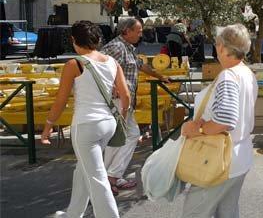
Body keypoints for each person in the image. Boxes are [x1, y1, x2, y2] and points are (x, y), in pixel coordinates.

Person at [41, 21, 130, 217]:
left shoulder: (74, 64)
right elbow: (126, 96)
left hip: (86, 125)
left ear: (73, 40)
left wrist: (48, 126)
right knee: (83, 171)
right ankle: (73, 214)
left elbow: (61, 101)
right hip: (108, 123)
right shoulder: (112, 62)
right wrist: (121, 117)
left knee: (96, 178)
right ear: (97, 40)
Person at [180, 24, 258, 217]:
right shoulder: (246, 73)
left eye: (216, 44)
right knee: (228, 212)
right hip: (237, 157)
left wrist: (196, 130)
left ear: (222, 47)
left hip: (218, 160)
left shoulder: (228, 77)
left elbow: (225, 120)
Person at [102, 17, 170, 195]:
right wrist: (114, 88)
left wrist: (159, 76)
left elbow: (140, 66)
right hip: (117, 101)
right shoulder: (116, 47)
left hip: (126, 101)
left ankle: (112, 175)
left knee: (131, 134)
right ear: (126, 31)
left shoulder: (128, 48)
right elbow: (101, 69)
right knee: (117, 138)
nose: (141, 34)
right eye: (138, 31)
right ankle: (106, 177)